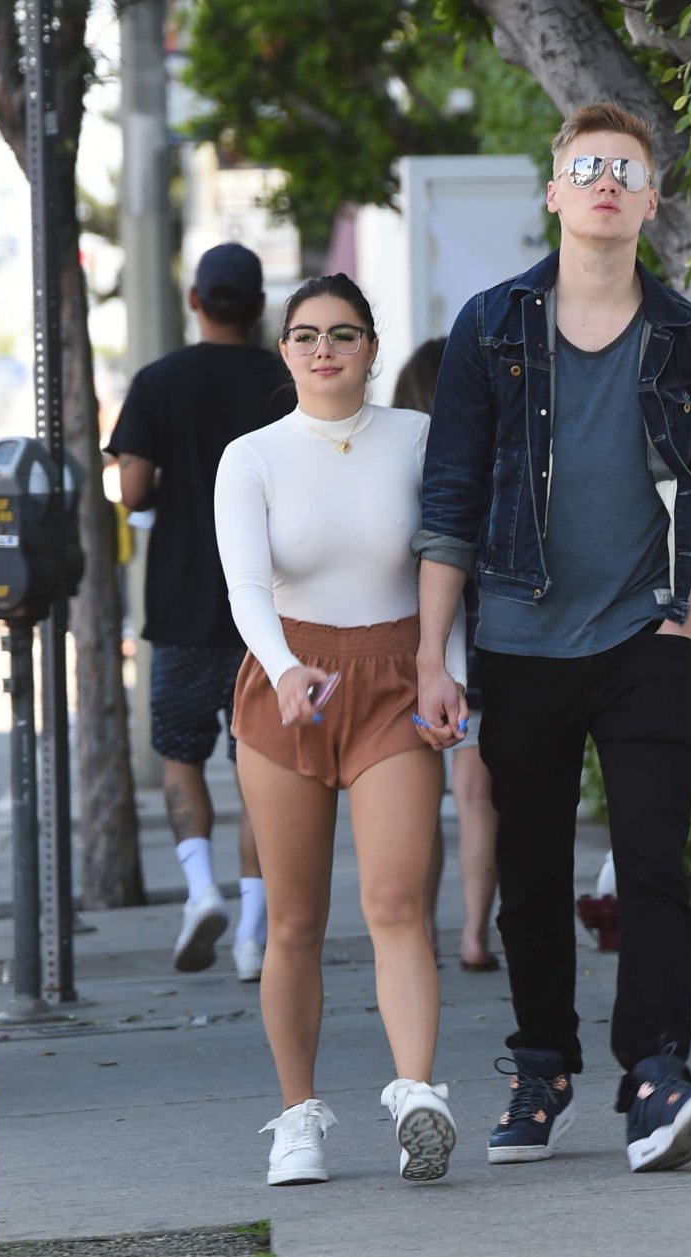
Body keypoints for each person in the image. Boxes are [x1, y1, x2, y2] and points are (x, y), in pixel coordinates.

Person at [413, 101, 691, 1173]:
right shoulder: (491, 327)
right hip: (518, 639)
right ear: (556, 191)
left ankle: (654, 1074)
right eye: (589, 167)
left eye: (628, 170)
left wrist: (681, 621)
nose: (608, 181)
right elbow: (450, 501)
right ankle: (542, 1069)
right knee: (528, 869)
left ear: (649, 203)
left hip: (643, 638)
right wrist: (433, 656)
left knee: (653, 864)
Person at [214, 274, 465, 1187]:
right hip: (289, 685)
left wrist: (448, 671)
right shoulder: (251, 456)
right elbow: (247, 586)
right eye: (307, 335)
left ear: (372, 347)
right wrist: (285, 669)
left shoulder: (419, 437)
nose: (325, 350)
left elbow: (446, 563)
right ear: (284, 350)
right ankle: (297, 1120)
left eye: (344, 334)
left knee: (397, 904)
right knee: (294, 920)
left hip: (397, 679)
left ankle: (417, 1096)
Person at [109, 242, 294, 982]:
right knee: (261, 768)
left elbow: (132, 489)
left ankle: (199, 892)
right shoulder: (284, 380)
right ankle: (252, 934)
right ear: (259, 307)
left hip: (182, 604)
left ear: (194, 300)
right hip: (271, 610)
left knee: (180, 755)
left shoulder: (158, 382)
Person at [392, 338, 499, 972]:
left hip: (421, 649)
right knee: (479, 799)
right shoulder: (492, 453)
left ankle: (423, 934)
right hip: (488, 644)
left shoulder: (403, 467)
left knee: (420, 802)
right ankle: (476, 937)